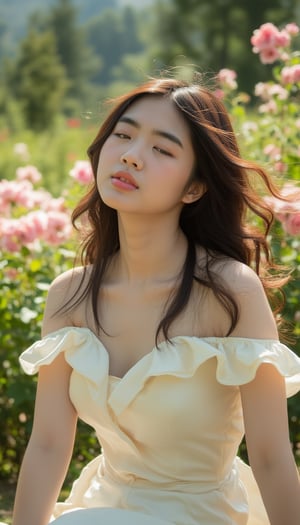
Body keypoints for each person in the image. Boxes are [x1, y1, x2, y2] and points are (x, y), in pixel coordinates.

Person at [9, 77, 300, 525]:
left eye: (162, 149)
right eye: (123, 135)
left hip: (205, 515)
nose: (130, 155)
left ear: (194, 188)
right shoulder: (71, 295)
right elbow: (48, 444)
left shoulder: (230, 291)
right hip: (104, 508)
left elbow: (271, 458)